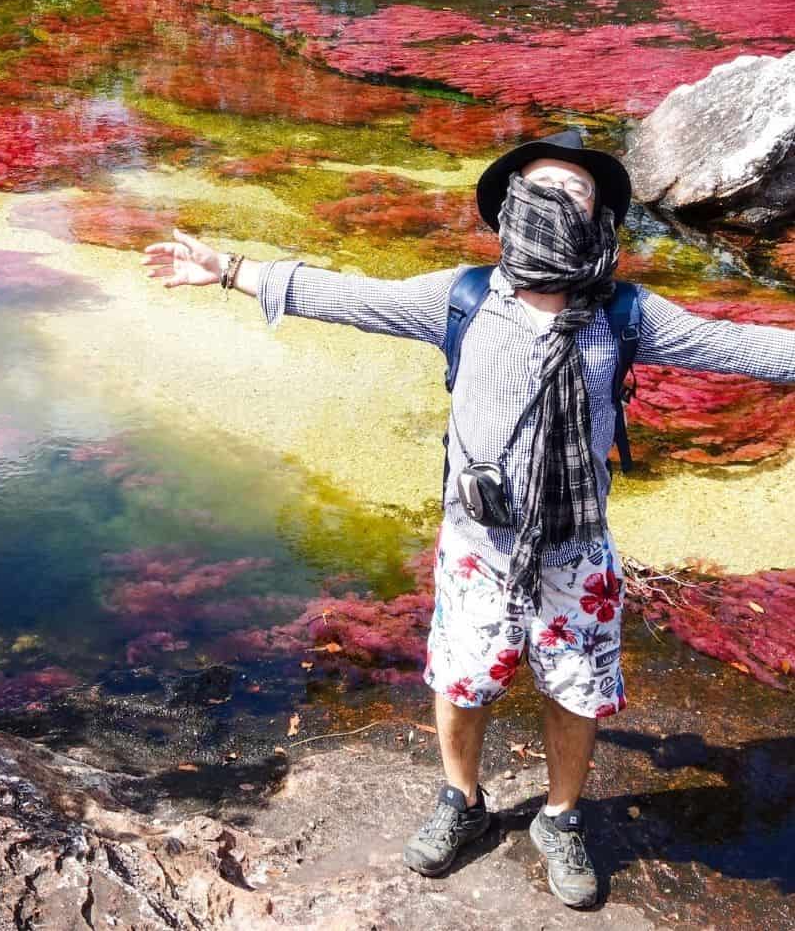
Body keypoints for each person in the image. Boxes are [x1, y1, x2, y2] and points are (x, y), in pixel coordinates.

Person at [141, 128, 795, 910]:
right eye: (538, 189)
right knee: (462, 677)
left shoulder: (626, 315)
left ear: (599, 219)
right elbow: (352, 297)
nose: (553, 203)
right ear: (510, 206)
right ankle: (462, 800)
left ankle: (559, 817)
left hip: (575, 547)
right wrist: (230, 270)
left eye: (573, 193)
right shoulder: (462, 298)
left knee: (578, 690)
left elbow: (742, 346)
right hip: (477, 544)